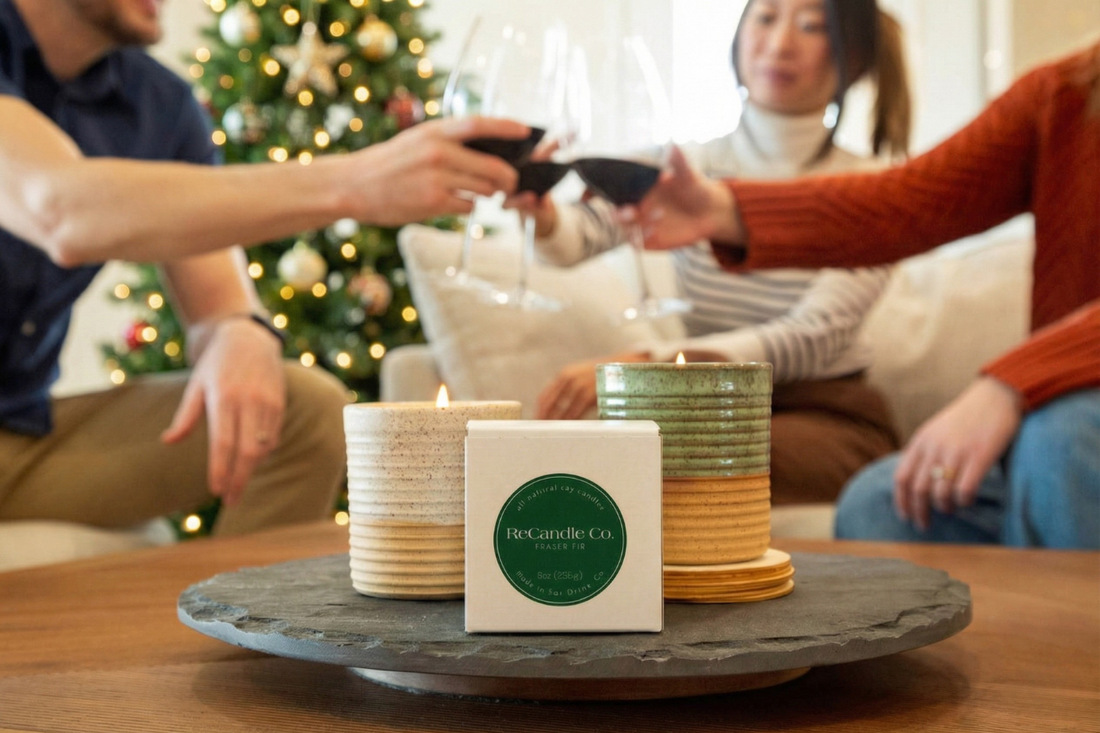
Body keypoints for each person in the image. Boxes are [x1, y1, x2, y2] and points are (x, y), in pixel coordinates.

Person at [0, 0, 527, 536]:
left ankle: (228, 620)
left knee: (308, 411)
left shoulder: (156, 102)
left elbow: (220, 306)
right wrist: (356, 182)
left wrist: (238, 333)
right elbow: (62, 209)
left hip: (25, 438)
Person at [635, 41, 1100, 547]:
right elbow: (906, 204)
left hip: (1062, 423)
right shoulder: (1067, 91)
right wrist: (722, 211)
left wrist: (1013, 384)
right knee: (881, 505)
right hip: (1051, 422)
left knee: (1061, 438)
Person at [510, 0, 910, 504]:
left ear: (854, 58)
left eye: (810, 26)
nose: (779, 43)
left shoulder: (876, 189)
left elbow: (815, 337)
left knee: (679, 460)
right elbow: (579, 238)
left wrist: (643, 363)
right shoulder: (687, 168)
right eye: (765, 17)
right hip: (701, 405)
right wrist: (541, 211)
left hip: (824, 413)